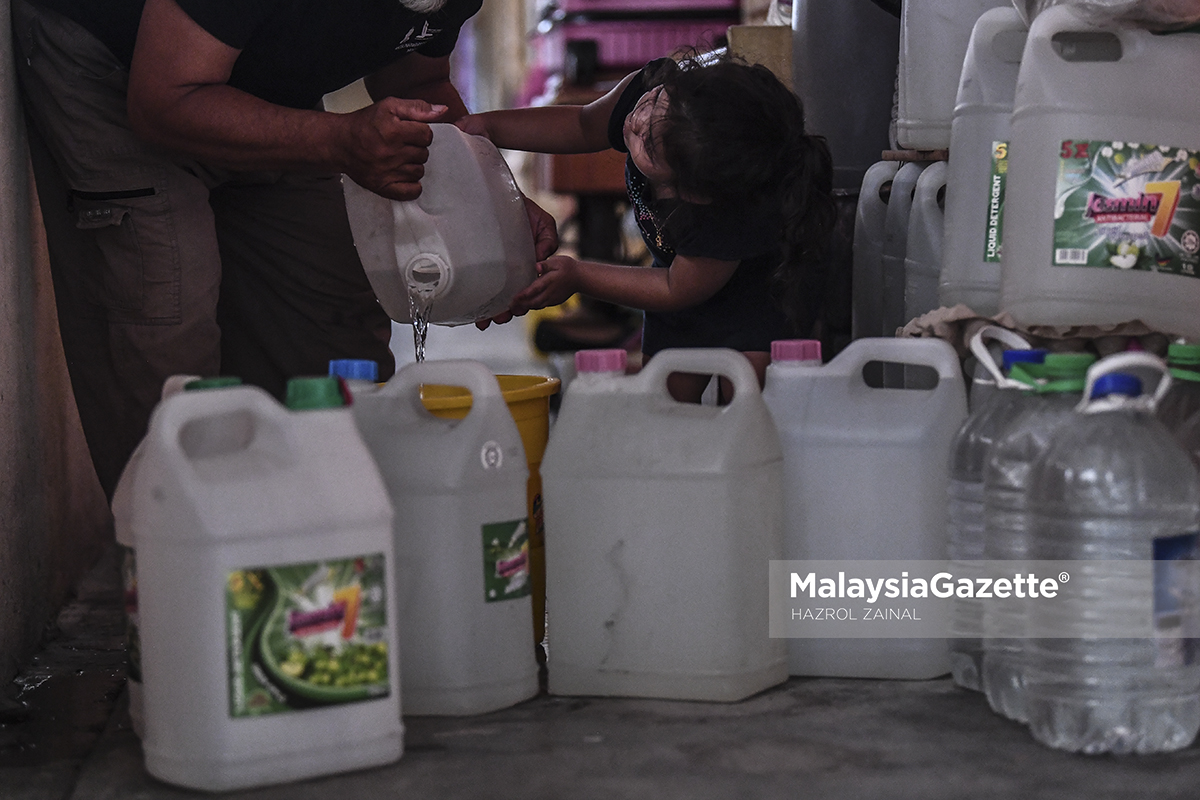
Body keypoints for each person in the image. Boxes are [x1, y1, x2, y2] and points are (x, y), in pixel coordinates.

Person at [12, 0, 558, 498]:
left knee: (335, 342)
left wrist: (493, 211)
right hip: (118, 68)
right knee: (170, 347)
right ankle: (189, 576)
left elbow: (416, 74)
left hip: (256, 74)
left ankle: (327, 564)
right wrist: (339, 141)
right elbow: (163, 99)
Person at [458, 54, 835, 401]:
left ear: (689, 190)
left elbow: (675, 288)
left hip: (760, 298)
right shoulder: (654, 94)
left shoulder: (723, 216)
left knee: (745, 406)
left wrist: (578, 275)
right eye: (657, 101)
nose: (637, 120)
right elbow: (582, 122)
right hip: (680, 284)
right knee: (666, 405)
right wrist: (490, 126)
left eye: (648, 146)